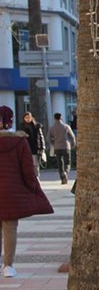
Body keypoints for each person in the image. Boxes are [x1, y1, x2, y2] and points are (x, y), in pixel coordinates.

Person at [0, 106, 54, 277]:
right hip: (11, 193)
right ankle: (8, 266)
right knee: (10, 228)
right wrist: (32, 188)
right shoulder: (20, 141)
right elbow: (28, 171)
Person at [48, 113, 76, 184]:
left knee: (60, 163)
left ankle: (62, 178)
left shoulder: (52, 127)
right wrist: (72, 144)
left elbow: (48, 138)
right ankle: (66, 172)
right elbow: (72, 136)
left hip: (57, 147)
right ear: (61, 118)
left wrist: (52, 143)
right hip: (66, 146)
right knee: (67, 161)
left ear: (54, 118)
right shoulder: (66, 126)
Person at [19, 112, 46, 177]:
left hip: (34, 147)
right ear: (24, 118)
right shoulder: (22, 126)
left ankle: (36, 176)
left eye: (29, 117)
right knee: (26, 163)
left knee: (35, 164)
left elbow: (41, 137)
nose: (28, 119)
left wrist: (42, 147)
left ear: (31, 118)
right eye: (26, 118)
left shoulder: (36, 126)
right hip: (25, 147)